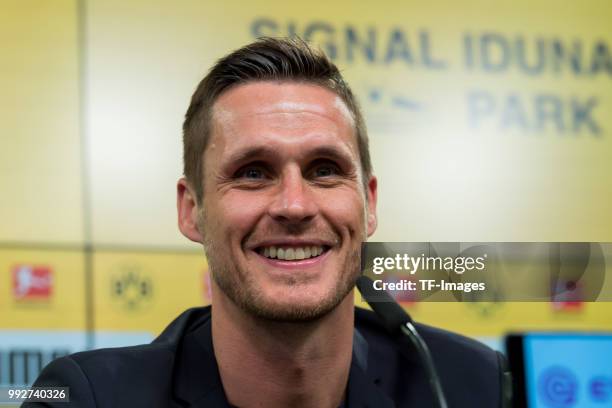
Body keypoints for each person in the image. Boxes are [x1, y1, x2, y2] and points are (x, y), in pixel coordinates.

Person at [25, 37, 509, 408]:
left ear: (369, 203)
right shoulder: (88, 397)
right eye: (253, 172)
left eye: (325, 170)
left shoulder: (472, 384)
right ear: (191, 210)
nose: (295, 206)